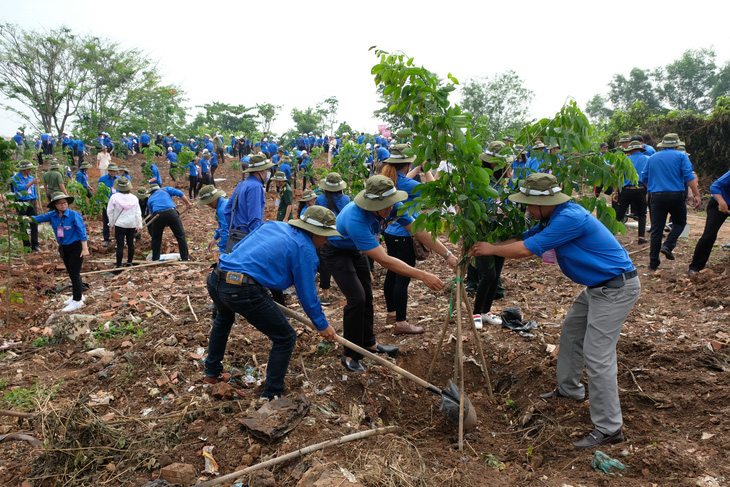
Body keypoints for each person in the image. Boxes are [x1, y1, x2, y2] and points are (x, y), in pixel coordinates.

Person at [469, 173, 641, 450]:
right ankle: (570, 389)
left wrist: (490, 249)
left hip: (616, 289)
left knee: (598, 355)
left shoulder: (570, 218)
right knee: (572, 333)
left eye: (528, 205)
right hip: (597, 288)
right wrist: (487, 246)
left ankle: (610, 427)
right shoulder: (552, 218)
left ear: (545, 202)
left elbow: (525, 250)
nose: (526, 210)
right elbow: (521, 238)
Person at [320, 176, 457, 372]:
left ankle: (369, 344)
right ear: (370, 204)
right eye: (383, 206)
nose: (388, 210)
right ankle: (350, 354)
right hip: (336, 251)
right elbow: (383, 259)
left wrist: (448, 255)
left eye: (390, 204)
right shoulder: (355, 218)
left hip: (357, 251)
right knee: (356, 298)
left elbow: (418, 231)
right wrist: (422, 275)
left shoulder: (393, 206)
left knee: (367, 296)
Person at [205, 206, 339, 399]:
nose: (326, 240)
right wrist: (322, 325)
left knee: (223, 319)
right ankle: (272, 393)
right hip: (241, 288)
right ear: (315, 232)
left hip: (217, 276)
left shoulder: (274, 226)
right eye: (325, 235)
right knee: (285, 337)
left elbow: (239, 249)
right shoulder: (306, 250)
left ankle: (212, 373)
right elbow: (307, 296)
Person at [379, 145, 443, 332]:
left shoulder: (390, 179)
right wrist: (427, 169)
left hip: (390, 233)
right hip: (404, 235)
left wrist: (415, 168)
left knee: (392, 272)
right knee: (403, 278)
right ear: (407, 163)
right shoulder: (408, 184)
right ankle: (401, 323)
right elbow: (434, 192)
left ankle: (391, 313)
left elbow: (404, 177)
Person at [639, 133, 700, 272]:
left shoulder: (652, 157)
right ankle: (669, 244)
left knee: (656, 229)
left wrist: (654, 188)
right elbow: (689, 176)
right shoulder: (681, 156)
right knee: (680, 222)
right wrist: (696, 194)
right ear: (676, 145)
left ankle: (653, 263)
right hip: (675, 195)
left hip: (656, 196)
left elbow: (644, 178)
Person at [32, 192, 90, 312]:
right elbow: (38, 219)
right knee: (70, 272)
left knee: (75, 273)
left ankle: (77, 300)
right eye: (59, 203)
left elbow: (82, 231)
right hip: (63, 247)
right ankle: (77, 295)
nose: (63, 205)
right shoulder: (52, 215)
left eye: (64, 202)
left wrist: (85, 248)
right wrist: (24, 219)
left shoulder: (74, 215)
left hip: (75, 247)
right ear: (55, 205)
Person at [224, 154, 273, 248]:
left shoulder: (242, 184)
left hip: (237, 236)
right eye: (267, 170)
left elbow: (227, 210)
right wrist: (256, 242)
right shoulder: (255, 187)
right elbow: (255, 219)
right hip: (248, 238)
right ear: (260, 171)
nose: (268, 173)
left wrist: (236, 229)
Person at [315, 172, 350, 305]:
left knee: (324, 266)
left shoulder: (319, 199)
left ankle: (326, 295)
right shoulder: (345, 199)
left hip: (324, 237)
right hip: (340, 236)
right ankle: (348, 292)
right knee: (345, 263)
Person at [689, 169, 730, 275]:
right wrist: (722, 202)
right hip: (718, 203)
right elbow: (714, 186)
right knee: (709, 235)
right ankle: (695, 267)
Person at [613, 140, 649, 244]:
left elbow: (619, 178)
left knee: (619, 214)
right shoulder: (647, 159)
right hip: (640, 189)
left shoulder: (625, 160)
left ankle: (611, 235)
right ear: (640, 149)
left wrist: (615, 192)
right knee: (642, 214)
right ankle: (641, 237)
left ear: (631, 150)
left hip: (626, 190)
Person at [146, 184, 192, 261]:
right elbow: (180, 193)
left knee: (156, 238)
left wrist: (163, 222)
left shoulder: (150, 199)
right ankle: (185, 258)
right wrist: (187, 203)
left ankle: (155, 259)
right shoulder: (166, 189)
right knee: (180, 236)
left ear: (151, 192)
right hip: (171, 213)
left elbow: (152, 214)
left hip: (157, 215)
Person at [107, 177, 143, 270]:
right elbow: (138, 213)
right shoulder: (134, 198)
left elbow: (110, 212)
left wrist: (111, 224)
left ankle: (119, 265)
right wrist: (139, 225)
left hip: (120, 224)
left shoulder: (114, 197)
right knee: (131, 243)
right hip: (131, 224)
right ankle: (129, 262)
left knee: (120, 245)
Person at [12, 160, 40, 251]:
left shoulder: (31, 177)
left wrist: (36, 203)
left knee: (34, 223)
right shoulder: (16, 178)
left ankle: (35, 245)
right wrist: (32, 183)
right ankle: (26, 246)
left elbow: (34, 191)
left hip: (31, 202)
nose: (30, 170)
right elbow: (20, 188)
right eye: (29, 168)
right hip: (21, 203)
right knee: (23, 224)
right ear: (24, 169)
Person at [197, 185, 229, 262]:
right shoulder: (224, 203)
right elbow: (221, 226)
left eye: (208, 203)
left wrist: (222, 251)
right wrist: (215, 238)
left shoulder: (222, 209)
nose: (208, 205)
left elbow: (226, 231)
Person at [98, 163, 119, 247]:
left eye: (114, 171)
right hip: (106, 202)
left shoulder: (119, 179)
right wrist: (98, 201)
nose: (113, 173)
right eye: (111, 171)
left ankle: (118, 238)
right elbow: (99, 190)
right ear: (108, 171)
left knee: (117, 221)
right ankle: (106, 239)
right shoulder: (102, 179)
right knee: (106, 220)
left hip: (117, 203)